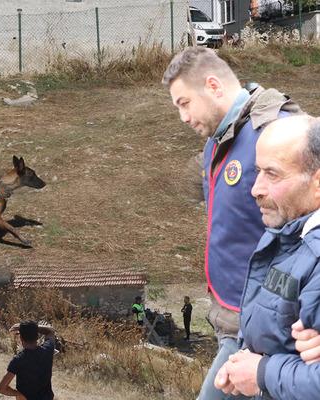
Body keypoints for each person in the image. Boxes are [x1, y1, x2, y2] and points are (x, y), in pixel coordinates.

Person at [161, 46, 307, 400]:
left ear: (213, 86)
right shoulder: (219, 138)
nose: (182, 116)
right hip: (230, 313)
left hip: (263, 322)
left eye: (184, 103)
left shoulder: (275, 130)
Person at [214, 116, 320, 399]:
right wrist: (244, 362)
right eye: (258, 171)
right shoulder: (284, 231)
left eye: (272, 174)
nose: (255, 189)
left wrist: (261, 372)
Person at [0, 321, 55, 400]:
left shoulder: (18, 360)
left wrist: (18, 394)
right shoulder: (48, 350)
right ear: (37, 336)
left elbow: (1, 388)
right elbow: (50, 331)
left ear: (21, 338)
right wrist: (32, 328)